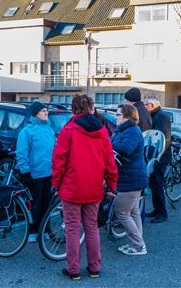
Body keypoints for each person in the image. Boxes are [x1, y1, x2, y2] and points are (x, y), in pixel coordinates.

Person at [52, 94, 118, 280]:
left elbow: (59, 160)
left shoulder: (69, 130)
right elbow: (109, 162)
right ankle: (94, 267)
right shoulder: (102, 131)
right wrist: (112, 185)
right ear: (91, 108)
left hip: (72, 186)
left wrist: (56, 183)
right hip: (94, 186)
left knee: (72, 228)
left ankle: (73, 270)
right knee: (92, 227)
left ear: (74, 109)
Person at [112, 104, 148, 255]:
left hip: (130, 178)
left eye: (118, 114)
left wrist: (109, 144)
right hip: (132, 177)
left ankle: (139, 246)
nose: (116, 117)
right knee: (133, 212)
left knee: (121, 212)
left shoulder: (132, 131)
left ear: (127, 117)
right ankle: (136, 243)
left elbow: (125, 149)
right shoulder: (124, 130)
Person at [16, 101, 54, 243]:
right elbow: (21, 153)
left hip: (49, 173)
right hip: (35, 174)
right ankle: (33, 230)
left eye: (46, 110)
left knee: (47, 204)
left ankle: (44, 229)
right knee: (35, 204)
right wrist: (25, 171)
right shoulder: (27, 131)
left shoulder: (49, 129)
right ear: (35, 113)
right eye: (43, 110)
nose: (46, 112)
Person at [144, 96, 171, 223]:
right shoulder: (156, 115)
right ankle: (157, 209)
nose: (144, 107)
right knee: (154, 184)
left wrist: (157, 157)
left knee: (157, 183)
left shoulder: (161, 116)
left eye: (145, 105)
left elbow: (162, 138)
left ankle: (162, 213)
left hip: (160, 156)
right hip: (156, 155)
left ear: (152, 105)